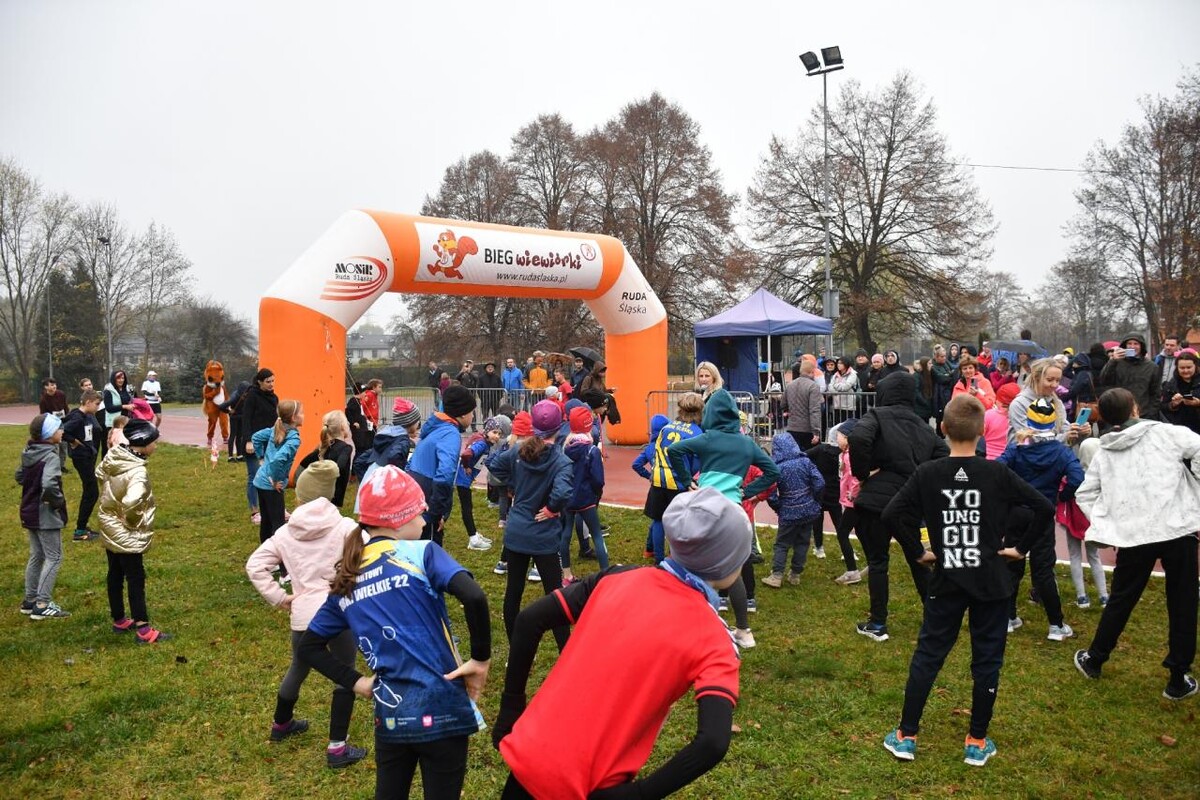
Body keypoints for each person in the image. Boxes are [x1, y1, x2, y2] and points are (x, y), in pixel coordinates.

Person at [493, 487, 748, 799]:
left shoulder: (616, 577)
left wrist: (511, 707)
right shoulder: (716, 639)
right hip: (589, 784)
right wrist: (640, 794)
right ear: (728, 564)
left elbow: (528, 620)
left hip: (531, 757)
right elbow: (713, 742)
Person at [879, 394, 1054, 767]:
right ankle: (976, 740)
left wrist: (918, 551)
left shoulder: (929, 473)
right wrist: (1020, 549)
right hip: (990, 580)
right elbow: (1044, 507)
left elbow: (892, 513)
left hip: (948, 579)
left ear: (942, 429)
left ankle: (907, 735)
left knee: (929, 654)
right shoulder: (996, 473)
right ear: (982, 432)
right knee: (987, 659)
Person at [298, 466, 492, 800]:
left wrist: (358, 683)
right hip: (444, 711)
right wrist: (480, 660)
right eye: (419, 512)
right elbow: (474, 596)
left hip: (391, 718)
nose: (424, 519)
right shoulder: (422, 553)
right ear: (397, 521)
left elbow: (309, 647)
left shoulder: (348, 578)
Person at [1072, 388, 1200, 701]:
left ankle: (1095, 659)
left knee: (1122, 598)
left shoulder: (1108, 451)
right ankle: (1177, 677)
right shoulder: (1167, 434)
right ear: (1135, 409)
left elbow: (1084, 495)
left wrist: (1111, 522)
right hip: (1176, 528)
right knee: (1183, 601)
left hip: (1142, 533)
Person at [245, 460, 367, 769]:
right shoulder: (347, 528)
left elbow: (255, 565)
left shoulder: (285, 533)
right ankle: (337, 748)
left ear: (300, 495)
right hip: (338, 613)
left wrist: (279, 597)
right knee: (345, 672)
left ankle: (281, 724)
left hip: (303, 616)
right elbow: (370, 558)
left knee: (299, 666)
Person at [666, 388, 779, 649]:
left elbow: (674, 451)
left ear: (711, 415)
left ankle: (694, 626)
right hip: (732, 512)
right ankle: (744, 631)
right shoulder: (746, 443)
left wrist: (686, 481)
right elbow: (773, 471)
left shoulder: (707, 439)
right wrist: (747, 491)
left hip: (704, 508)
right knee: (732, 570)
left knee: (693, 565)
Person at [848, 371, 950, 641]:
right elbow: (944, 455)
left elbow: (858, 439)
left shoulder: (876, 416)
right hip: (908, 503)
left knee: (878, 561)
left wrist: (862, 473)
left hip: (876, 502)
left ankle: (878, 623)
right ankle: (936, 618)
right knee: (918, 558)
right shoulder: (922, 426)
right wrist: (920, 480)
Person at [485, 400, 573, 650]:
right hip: (543, 537)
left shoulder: (518, 451)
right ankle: (565, 650)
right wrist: (552, 508)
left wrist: (513, 482)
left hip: (517, 531)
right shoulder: (561, 461)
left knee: (514, 590)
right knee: (555, 595)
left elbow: (494, 464)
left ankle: (516, 647)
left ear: (534, 427)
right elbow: (563, 492)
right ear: (559, 427)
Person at [997, 398, 1083, 642]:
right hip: (1043, 514)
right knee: (1043, 569)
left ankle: (1008, 618)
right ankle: (1056, 625)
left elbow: (997, 469)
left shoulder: (1017, 448)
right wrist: (1061, 496)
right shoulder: (1061, 452)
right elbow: (1077, 477)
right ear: (1054, 423)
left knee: (1011, 565)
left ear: (1029, 421)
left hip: (1017, 513)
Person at [96, 419, 170, 643]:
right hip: (126, 531)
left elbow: (99, 474)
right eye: (154, 442)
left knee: (115, 572)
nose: (156, 446)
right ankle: (143, 629)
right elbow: (132, 502)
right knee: (135, 576)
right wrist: (134, 523)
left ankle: (119, 619)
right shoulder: (137, 472)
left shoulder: (114, 456)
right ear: (144, 444)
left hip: (109, 523)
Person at [408, 384, 476, 547]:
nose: (473, 416)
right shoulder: (450, 433)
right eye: (472, 412)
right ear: (463, 413)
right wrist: (436, 513)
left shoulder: (436, 427)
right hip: (428, 498)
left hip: (415, 494)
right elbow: (445, 474)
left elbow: (411, 462)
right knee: (428, 550)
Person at [18, 413, 70, 619]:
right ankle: (42, 603)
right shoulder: (50, 456)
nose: (62, 431)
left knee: (37, 555)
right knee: (54, 557)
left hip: (29, 509)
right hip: (45, 514)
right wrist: (57, 502)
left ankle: (29, 600)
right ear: (49, 434)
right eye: (59, 428)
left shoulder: (29, 451)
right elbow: (49, 485)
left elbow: (20, 476)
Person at [761, 431, 824, 588]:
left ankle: (777, 575)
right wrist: (814, 498)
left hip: (788, 511)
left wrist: (778, 507)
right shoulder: (805, 462)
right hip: (808, 509)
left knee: (782, 544)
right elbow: (820, 482)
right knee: (803, 542)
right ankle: (795, 574)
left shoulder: (777, 468)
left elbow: (771, 493)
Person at [560, 406, 609, 586]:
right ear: (589, 426)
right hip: (586, 498)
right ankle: (606, 574)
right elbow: (598, 479)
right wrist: (595, 493)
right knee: (596, 534)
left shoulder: (565, 447)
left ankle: (566, 575)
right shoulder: (591, 450)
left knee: (565, 534)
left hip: (567, 497)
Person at [251, 399, 304, 546]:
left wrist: (261, 457)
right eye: (301, 413)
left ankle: (265, 551)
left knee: (266, 521)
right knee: (278, 524)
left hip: (260, 481)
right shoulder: (293, 439)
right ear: (293, 418)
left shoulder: (276, 429)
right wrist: (274, 480)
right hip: (271, 485)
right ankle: (278, 556)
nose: (304, 415)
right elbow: (277, 460)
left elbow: (256, 437)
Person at [1008, 358, 1089, 445]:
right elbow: (1029, 439)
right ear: (1036, 378)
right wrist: (1064, 437)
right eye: (1049, 380)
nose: (1055, 385)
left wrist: (1078, 432)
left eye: (1058, 380)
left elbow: (1064, 431)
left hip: (1054, 452)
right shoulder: (1019, 404)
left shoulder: (1057, 402)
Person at [62, 389, 104, 542]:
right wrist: (72, 441)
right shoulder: (77, 417)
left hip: (88, 456)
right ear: (88, 402)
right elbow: (61, 430)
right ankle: (79, 532)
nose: (98, 407)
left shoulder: (86, 415)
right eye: (97, 404)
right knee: (91, 492)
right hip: (81, 458)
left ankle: (82, 527)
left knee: (90, 491)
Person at [455, 417, 501, 552]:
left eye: (499, 433)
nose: (497, 436)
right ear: (487, 432)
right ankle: (473, 539)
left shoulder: (484, 442)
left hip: (465, 480)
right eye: (494, 432)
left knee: (468, 507)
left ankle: (474, 533)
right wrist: (466, 467)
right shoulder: (482, 444)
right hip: (462, 480)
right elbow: (466, 454)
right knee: (467, 508)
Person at [241, 369, 280, 525]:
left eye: (273, 381)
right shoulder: (252, 397)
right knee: (254, 476)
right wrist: (248, 440)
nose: (271, 384)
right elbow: (246, 419)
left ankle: (274, 508)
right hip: (253, 443)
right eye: (268, 382)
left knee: (271, 475)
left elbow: (276, 420)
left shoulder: (274, 398)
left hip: (269, 442)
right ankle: (255, 511)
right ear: (259, 382)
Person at [353, 397, 422, 485]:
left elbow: (359, 462)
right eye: (417, 421)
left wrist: (366, 483)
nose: (418, 424)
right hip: (385, 487)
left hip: (371, 485)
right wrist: (400, 481)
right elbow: (394, 456)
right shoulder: (403, 441)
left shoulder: (386, 437)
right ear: (411, 422)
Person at [296, 410, 354, 508]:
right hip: (333, 497)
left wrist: (300, 483)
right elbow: (340, 466)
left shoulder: (323, 447)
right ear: (343, 427)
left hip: (318, 495)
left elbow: (302, 464)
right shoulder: (346, 448)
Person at [1099, 332, 1160, 421]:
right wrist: (1112, 361)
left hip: (1143, 414)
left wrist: (1151, 414)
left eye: (1136, 344)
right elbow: (1104, 380)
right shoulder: (1117, 363)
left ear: (1141, 346)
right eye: (1129, 343)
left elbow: (1155, 393)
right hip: (1119, 412)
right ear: (1125, 346)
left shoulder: (1152, 367)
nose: (1132, 346)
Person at [832, 419, 865, 584]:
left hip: (853, 501)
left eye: (838, 436)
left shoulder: (850, 455)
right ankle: (876, 561)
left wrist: (853, 494)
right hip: (854, 500)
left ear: (847, 437)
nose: (836, 439)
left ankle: (852, 570)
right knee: (861, 531)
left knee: (842, 532)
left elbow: (856, 476)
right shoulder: (847, 453)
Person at [784, 359, 824, 449]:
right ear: (811, 372)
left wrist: (788, 411)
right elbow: (814, 410)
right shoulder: (813, 386)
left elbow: (783, 404)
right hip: (807, 429)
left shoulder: (790, 385)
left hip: (792, 427)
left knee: (795, 454)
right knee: (811, 455)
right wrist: (816, 432)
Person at [1161, 351, 1200, 435]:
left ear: (1195, 366)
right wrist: (1173, 405)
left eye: (1189, 367)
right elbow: (1163, 407)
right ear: (1177, 368)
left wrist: (1198, 403)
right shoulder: (1171, 384)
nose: (1185, 370)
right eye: (1182, 368)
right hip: (1179, 430)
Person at [38, 378, 70, 471]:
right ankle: (55, 466)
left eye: (54, 384)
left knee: (64, 445)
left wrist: (67, 417)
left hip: (63, 421)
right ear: (46, 387)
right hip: (52, 424)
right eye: (51, 385)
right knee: (55, 446)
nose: (54, 386)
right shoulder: (43, 400)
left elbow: (66, 407)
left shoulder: (61, 394)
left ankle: (62, 465)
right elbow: (44, 414)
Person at [101, 370, 134, 456]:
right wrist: (124, 406)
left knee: (124, 445)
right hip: (113, 423)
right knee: (111, 447)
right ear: (114, 379)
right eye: (118, 378)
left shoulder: (126, 389)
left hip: (126, 421)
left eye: (123, 378)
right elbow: (109, 408)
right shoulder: (108, 391)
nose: (121, 380)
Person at [219, 380, 252, 461]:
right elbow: (221, 406)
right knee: (233, 436)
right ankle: (230, 457)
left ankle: (239, 455)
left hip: (241, 417)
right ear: (241, 391)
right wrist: (229, 411)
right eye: (245, 393)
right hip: (234, 417)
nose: (246, 395)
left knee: (239, 436)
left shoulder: (247, 396)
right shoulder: (234, 397)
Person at [346, 382, 375, 454]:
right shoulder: (353, 401)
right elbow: (347, 411)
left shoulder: (358, 401)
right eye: (364, 392)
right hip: (358, 432)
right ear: (359, 392)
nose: (365, 394)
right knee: (360, 448)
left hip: (362, 429)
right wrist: (353, 422)